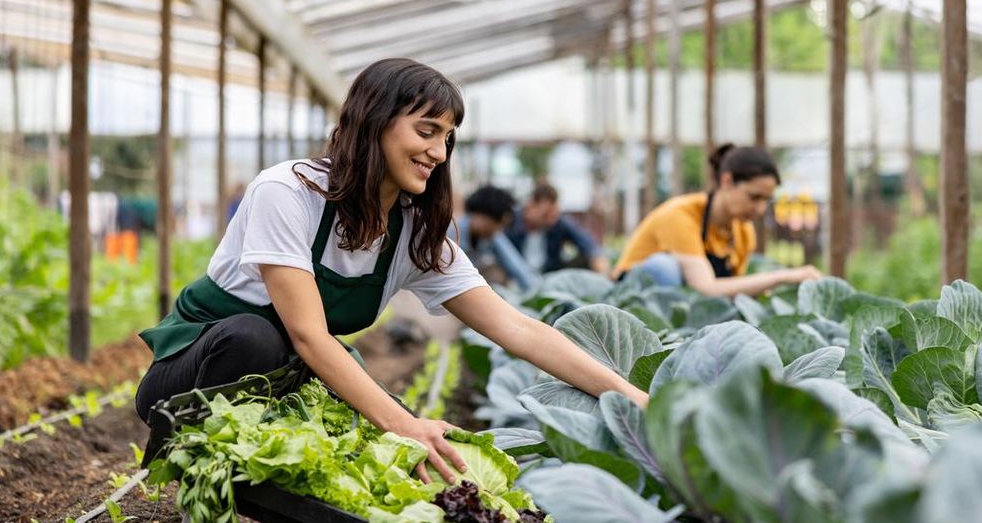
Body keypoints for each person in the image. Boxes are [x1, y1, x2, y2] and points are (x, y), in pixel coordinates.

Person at [134, 59, 647, 486]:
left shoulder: (413, 232)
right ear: (374, 120)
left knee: (384, 445)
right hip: (191, 378)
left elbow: (516, 329)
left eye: (447, 138)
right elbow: (310, 337)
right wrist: (405, 424)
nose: (438, 153)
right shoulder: (287, 192)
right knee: (256, 338)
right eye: (426, 132)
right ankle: (198, 473)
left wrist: (636, 399)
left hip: (286, 386)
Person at [613, 143, 822, 295]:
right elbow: (706, 288)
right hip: (630, 304)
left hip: (682, 309)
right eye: (754, 197)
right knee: (663, 267)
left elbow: (732, 292)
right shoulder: (679, 215)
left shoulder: (743, 232)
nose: (759, 209)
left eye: (766, 200)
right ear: (727, 181)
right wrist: (783, 276)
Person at [504, 183, 611, 276]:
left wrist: (604, 275)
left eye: (553, 215)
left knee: (588, 259)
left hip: (549, 278)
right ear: (530, 205)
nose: (550, 220)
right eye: (545, 214)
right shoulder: (510, 221)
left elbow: (590, 246)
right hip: (513, 278)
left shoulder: (558, 223)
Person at [453, 185, 539, 291]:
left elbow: (516, 265)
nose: (498, 230)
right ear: (480, 214)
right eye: (498, 224)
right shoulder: (449, 235)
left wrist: (536, 293)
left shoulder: (490, 236)